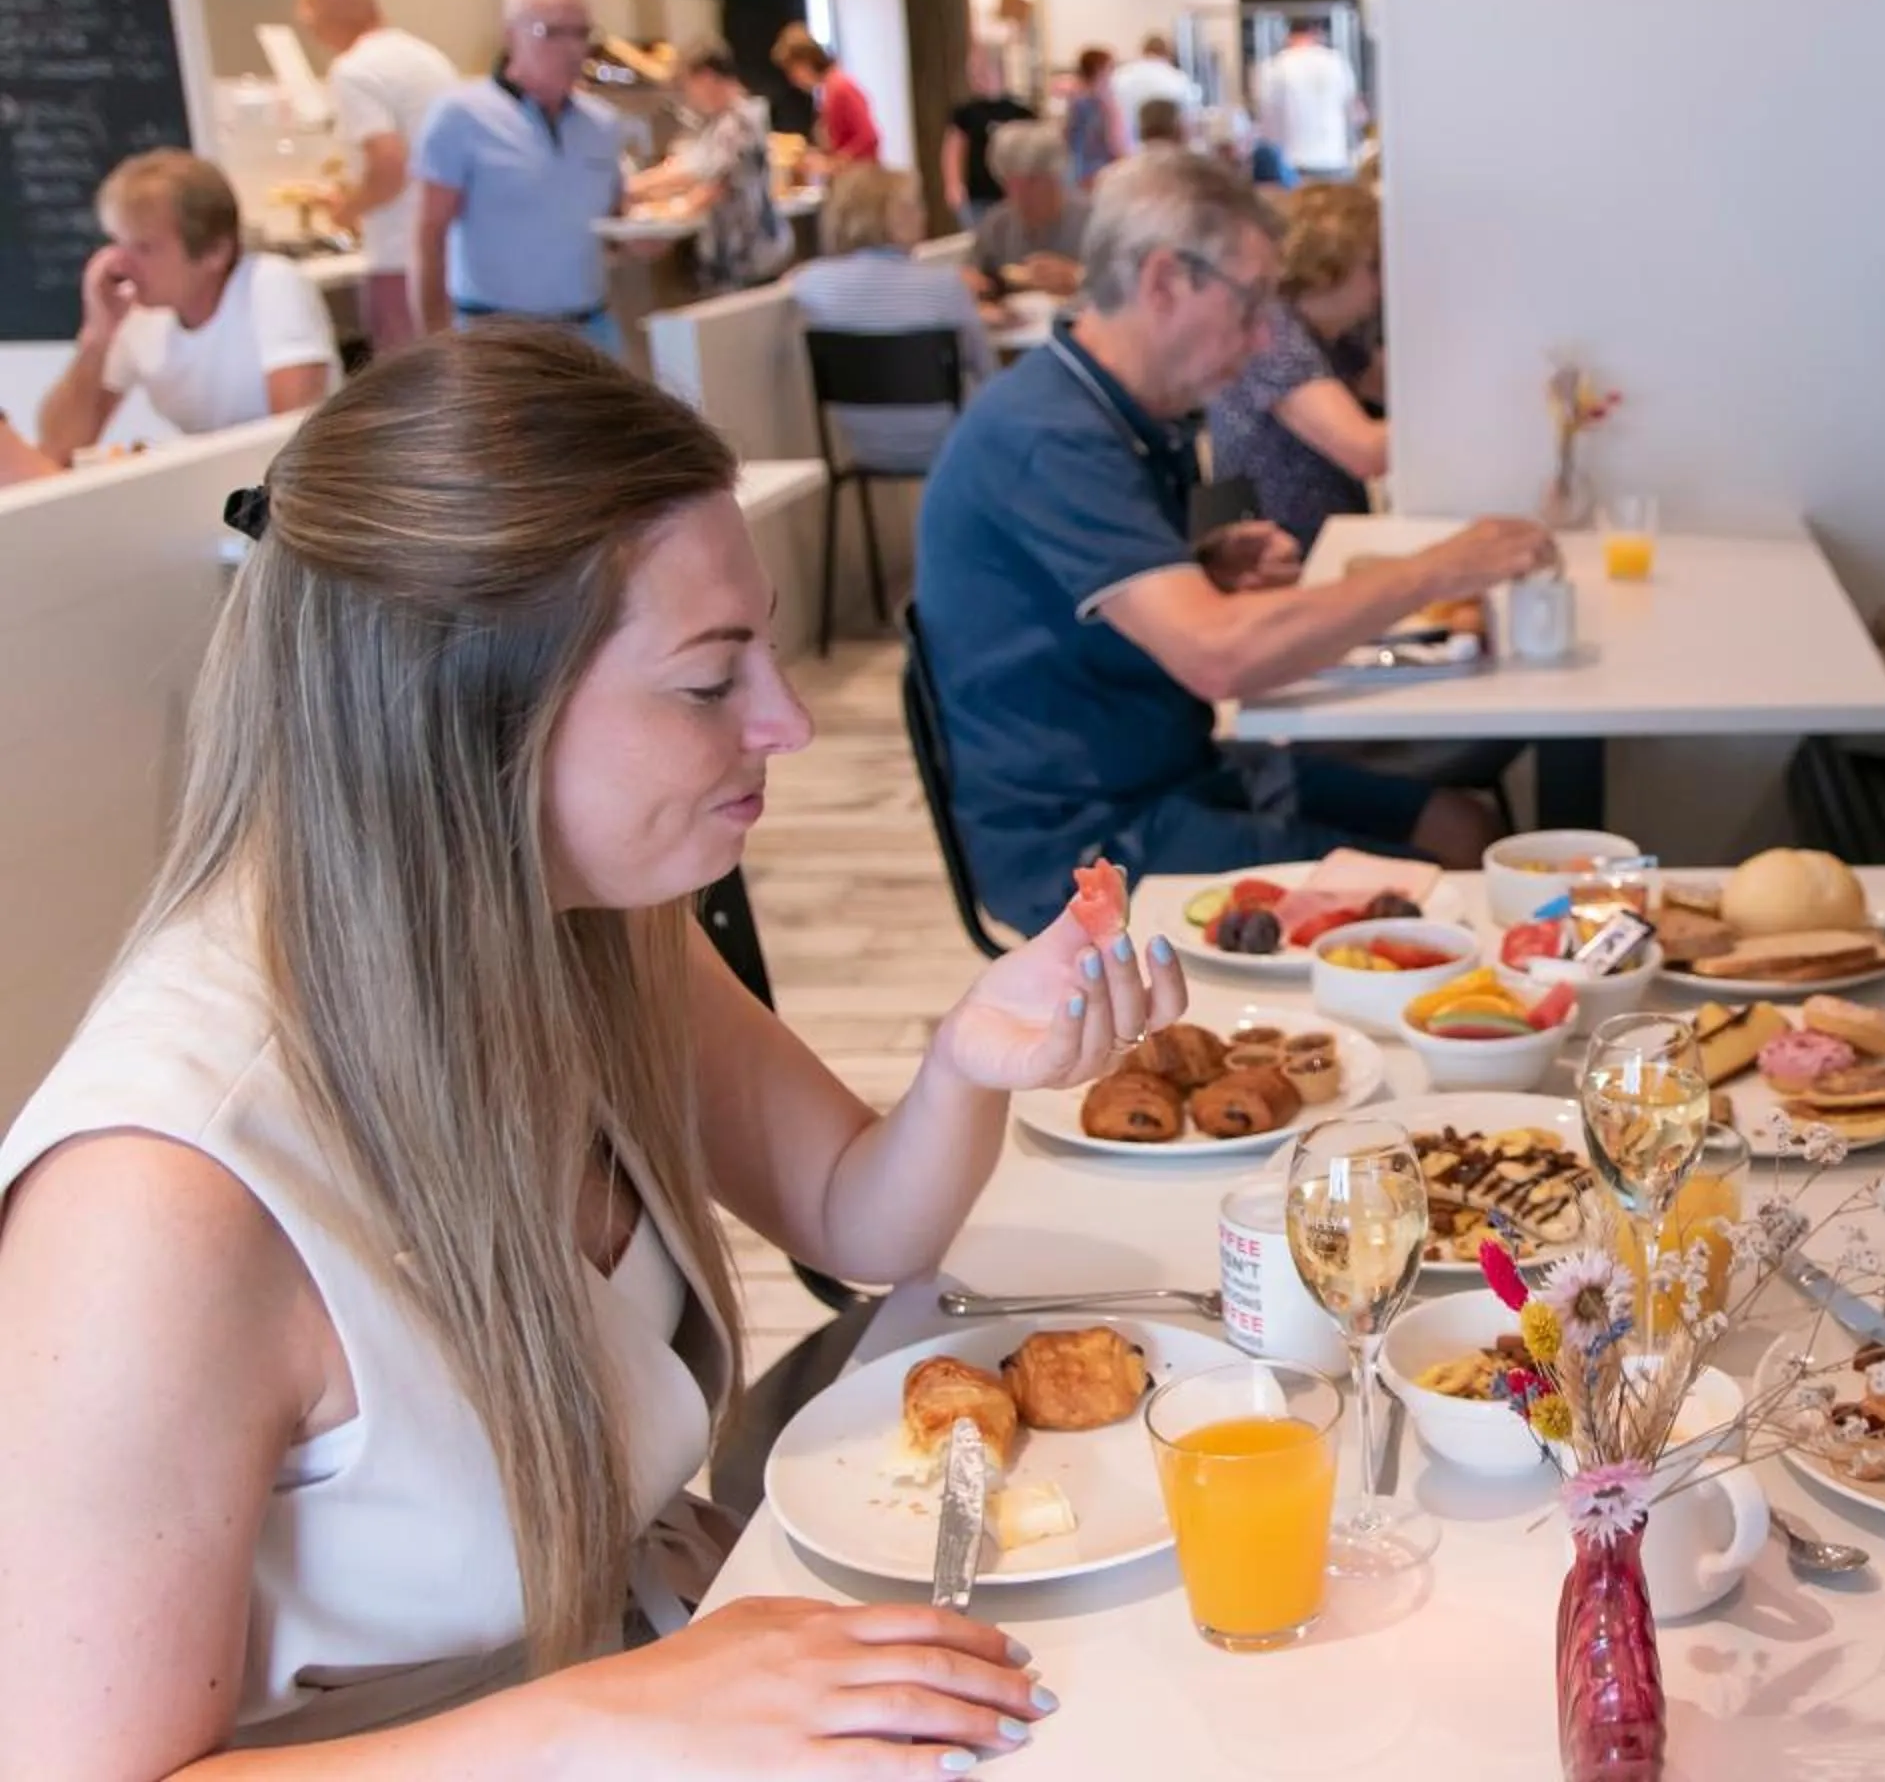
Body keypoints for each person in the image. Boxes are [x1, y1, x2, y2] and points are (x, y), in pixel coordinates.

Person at [0, 325, 1179, 1771]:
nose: (790, 722)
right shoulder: (158, 1200)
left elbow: (857, 1216)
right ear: (460, 709)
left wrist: (966, 1064)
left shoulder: (583, 928)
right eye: (708, 681)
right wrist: (612, 1714)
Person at [915, 149, 1556, 936]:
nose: (1260, 340)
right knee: (1444, 902)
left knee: (1459, 826)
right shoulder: (1048, 435)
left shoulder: (1113, 413)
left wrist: (1197, 570)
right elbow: (1217, 656)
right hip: (1088, 843)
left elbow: (1078, 604)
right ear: (1163, 281)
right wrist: (1439, 570)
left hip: (1172, 774)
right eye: (1250, 305)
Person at [34, 151, 339, 455]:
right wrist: (96, 336)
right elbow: (58, 448)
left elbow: (296, 440)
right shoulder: (136, 316)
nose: (119, 264)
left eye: (144, 248)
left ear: (215, 252)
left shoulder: (270, 284)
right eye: (117, 243)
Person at [413, 0, 627, 354]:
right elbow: (430, 236)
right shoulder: (461, 116)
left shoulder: (603, 124)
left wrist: (643, 241)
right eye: (553, 33)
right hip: (498, 340)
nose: (572, 49)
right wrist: (435, 345)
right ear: (511, 35)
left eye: (582, 33)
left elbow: (612, 225)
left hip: (591, 333)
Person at [294, 0, 458, 355]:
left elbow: (388, 164)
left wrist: (348, 208)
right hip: (452, 255)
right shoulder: (429, 58)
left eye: (308, 10)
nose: (305, 22)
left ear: (325, 12)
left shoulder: (354, 71)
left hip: (400, 256)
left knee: (406, 381)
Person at [1209, 182, 1387, 550]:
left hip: (1313, 538)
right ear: (1328, 269)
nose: (1383, 283)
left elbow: (1394, 387)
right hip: (1274, 556)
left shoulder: (1328, 333)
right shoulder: (1274, 336)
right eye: (1373, 267)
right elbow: (1365, 451)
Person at [792, 164, 992, 475]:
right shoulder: (946, 285)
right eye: (915, 205)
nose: (923, 215)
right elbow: (987, 371)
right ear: (895, 216)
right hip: (953, 444)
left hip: (865, 446)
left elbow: (796, 280)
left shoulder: (813, 283)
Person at [624, 42, 791, 295]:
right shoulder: (732, 119)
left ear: (706, 78)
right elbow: (689, 167)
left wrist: (668, 209)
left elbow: (714, 184)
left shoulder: (738, 122)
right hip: (751, 252)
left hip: (747, 252)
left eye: (689, 85)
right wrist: (638, 187)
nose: (690, 97)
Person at [969, 119, 1090, 299]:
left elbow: (1120, 288)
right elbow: (973, 274)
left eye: (1031, 182)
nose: (1019, 195)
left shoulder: (1092, 220)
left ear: (1055, 177)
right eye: (1009, 183)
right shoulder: (997, 224)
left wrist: (1077, 277)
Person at [941, 43, 1035, 229]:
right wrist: (953, 184)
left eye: (982, 70)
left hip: (1011, 194)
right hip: (978, 195)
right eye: (974, 72)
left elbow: (1032, 152)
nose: (977, 77)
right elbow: (953, 149)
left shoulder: (1020, 112)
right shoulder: (966, 113)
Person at [1255, 22, 1362, 184]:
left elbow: (1266, 119)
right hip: (1334, 159)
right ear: (1316, 34)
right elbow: (1356, 114)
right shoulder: (1337, 62)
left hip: (1291, 165)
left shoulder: (1274, 67)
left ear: (1288, 36)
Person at [771, 26, 880, 165]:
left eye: (792, 71)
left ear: (804, 62)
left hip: (859, 175)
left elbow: (868, 137)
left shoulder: (840, 87)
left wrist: (834, 163)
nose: (793, 80)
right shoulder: (827, 90)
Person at [1106, 33, 1201, 146]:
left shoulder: (1120, 76)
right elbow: (1189, 119)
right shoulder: (1178, 78)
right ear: (1167, 54)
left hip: (1127, 147)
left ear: (1143, 51)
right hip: (1166, 146)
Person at [1063, 47, 1120, 192]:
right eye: (1109, 68)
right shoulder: (1099, 103)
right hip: (1096, 170)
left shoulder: (1075, 98)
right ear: (1099, 70)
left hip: (1078, 169)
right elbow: (1113, 141)